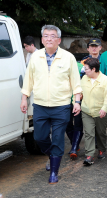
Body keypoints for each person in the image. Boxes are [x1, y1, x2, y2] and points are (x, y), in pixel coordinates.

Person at [20, 25, 82, 184]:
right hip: (40, 105)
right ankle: (52, 155)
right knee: (39, 137)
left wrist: (77, 101)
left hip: (61, 106)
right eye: (46, 36)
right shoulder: (35, 57)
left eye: (52, 36)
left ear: (59, 40)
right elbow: (29, 80)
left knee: (57, 138)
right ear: (42, 39)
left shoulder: (68, 57)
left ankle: (54, 171)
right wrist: (24, 98)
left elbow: (76, 82)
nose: (49, 39)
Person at [80, 58, 107, 165]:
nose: (84, 71)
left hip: (100, 111)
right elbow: (80, 92)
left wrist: (105, 108)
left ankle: (102, 149)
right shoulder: (84, 78)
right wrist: (76, 103)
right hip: (86, 111)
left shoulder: (105, 80)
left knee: (101, 132)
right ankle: (89, 155)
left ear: (93, 69)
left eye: (86, 69)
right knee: (89, 133)